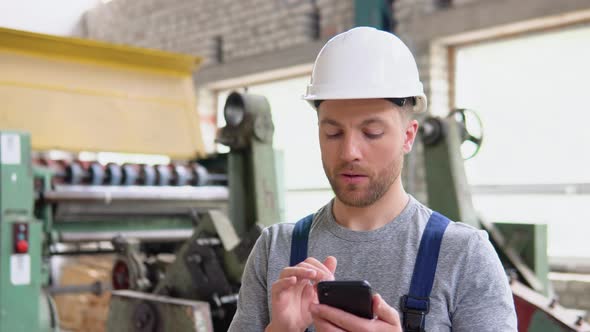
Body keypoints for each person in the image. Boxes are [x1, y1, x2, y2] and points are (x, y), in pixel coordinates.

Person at [228, 26, 517, 332]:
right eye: (333, 133)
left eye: (372, 132)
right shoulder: (276, 251)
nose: (350, 151)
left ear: (408, 136)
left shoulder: (464, 256)